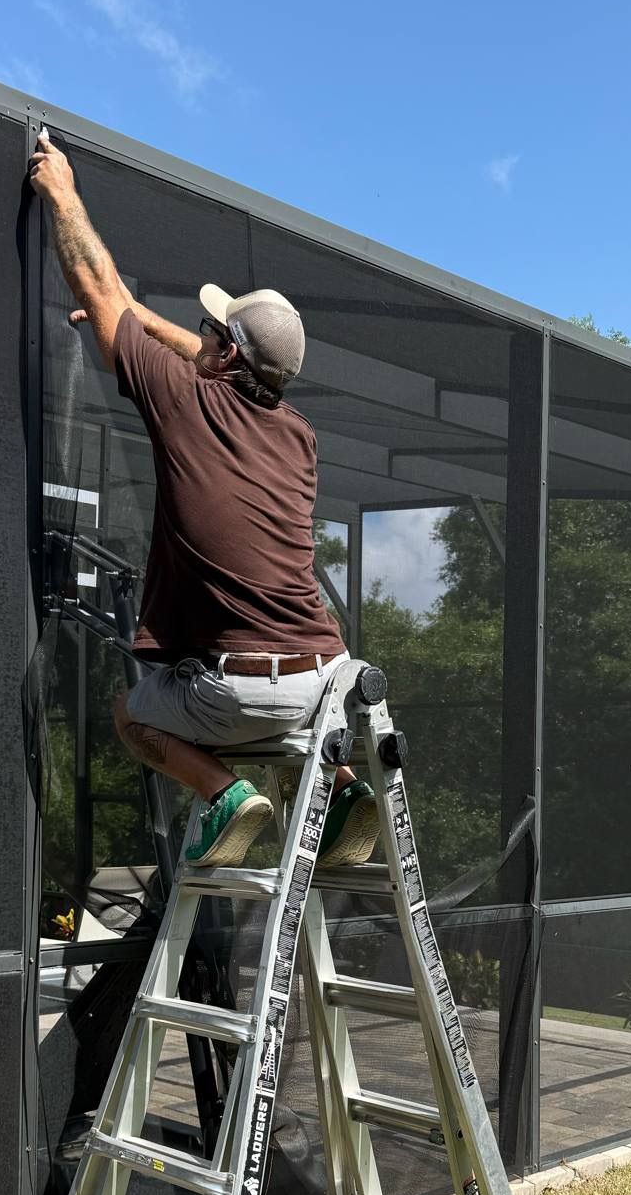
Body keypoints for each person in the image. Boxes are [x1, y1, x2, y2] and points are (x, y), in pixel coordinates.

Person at [29, 131, 379, 871]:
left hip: (236, 692)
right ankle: (345, 789)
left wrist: (60, 191)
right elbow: (206, 359)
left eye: (210, 332)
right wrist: (129, 327)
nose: (199, 338)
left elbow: (99, 283)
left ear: (221, 355)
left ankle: (226, 794)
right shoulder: (300, 435)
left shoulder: (186, 400)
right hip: (324, 686)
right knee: (290, 722)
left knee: (131, 714)